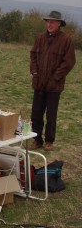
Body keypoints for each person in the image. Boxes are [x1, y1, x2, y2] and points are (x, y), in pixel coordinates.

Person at [30, 10, 76, 151]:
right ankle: (37, 140)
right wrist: (35, 72)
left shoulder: (66, 40)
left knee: (51, 115)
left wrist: (55, 78)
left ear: (59, 24)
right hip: (39, 83)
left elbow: (69, 62)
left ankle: (49, 141)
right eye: (48, 22)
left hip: (54, 86)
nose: (50, 24)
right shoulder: (40, 38)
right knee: (36, 113)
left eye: (53, 22)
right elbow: (33, 56)